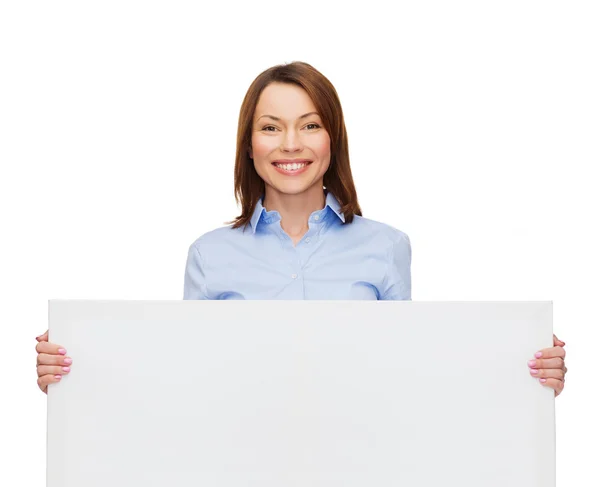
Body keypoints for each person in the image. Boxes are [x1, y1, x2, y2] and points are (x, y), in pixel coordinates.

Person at [34, 61, 568, 395]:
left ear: (332, 138)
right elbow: (183, 379)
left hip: (361, 464)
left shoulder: (386, 247)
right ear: (250, 144)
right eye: (271, 128)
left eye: (309, 125)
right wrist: (82, 371)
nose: (291, 144)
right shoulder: (209, 254)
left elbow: (413, 375)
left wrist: (516, 370)